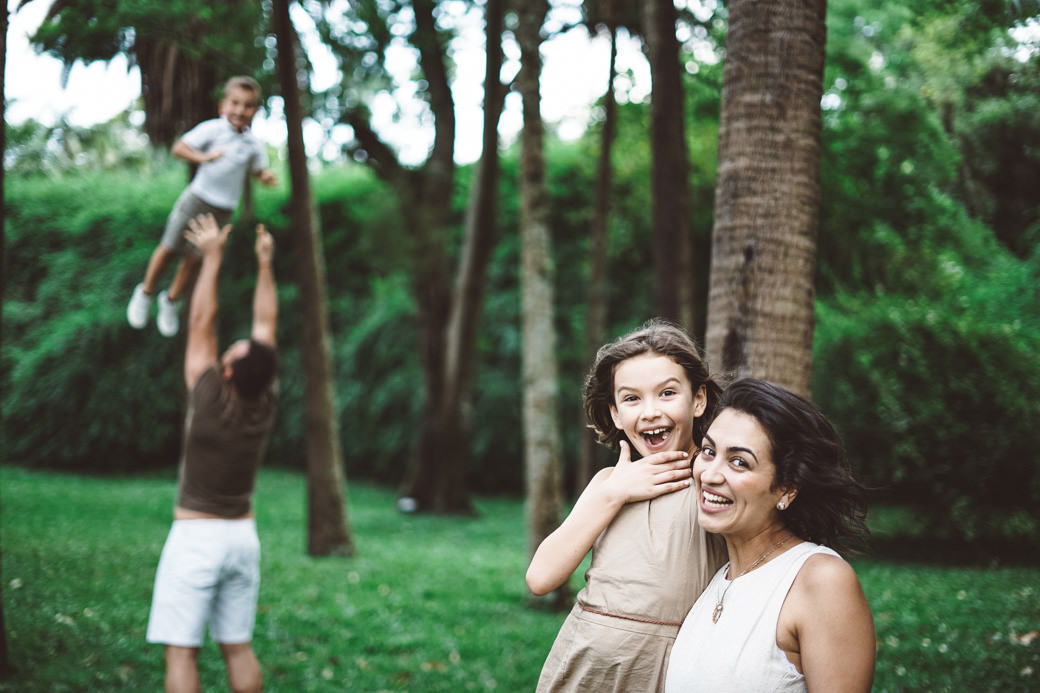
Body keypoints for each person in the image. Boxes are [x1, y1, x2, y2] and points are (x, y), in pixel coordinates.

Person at [527, 320, 726, 692]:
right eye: (632, 398)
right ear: (616, 414)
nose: (649, 411)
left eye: (667, 393)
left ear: (698, 399)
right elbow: (541, 578)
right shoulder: (608, 485)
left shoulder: (714, 482)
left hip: (667, 667)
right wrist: (613, 493)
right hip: (586, 660)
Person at [665, 378, 875, 692]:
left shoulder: (821, 580)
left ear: (787, 488)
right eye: (708, 451)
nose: (709, 474)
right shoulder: (719, 579)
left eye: (739, 462)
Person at [146, 213, 279, 693]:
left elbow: (201, 320)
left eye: (232, 350)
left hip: (196, 539)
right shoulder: (264, 400)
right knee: (237, 647)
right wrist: (265, 265)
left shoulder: (207, 397)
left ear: (226, 372)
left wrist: (212, 257)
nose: (234, 344)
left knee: (182, 655)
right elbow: (266, 325)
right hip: (243, 539)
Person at [126, 75, 277, 337]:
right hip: (197, 198)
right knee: (170, 247)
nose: (240, 110)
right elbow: (179, 148)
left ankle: (171, 300)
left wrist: (265, 177)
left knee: (194, 258)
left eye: (248, 105)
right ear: (223, 105)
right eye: (235, 103)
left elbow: (257, 170)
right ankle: (146, 292)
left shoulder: (254, 144)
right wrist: (202, 157)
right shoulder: (212, 129)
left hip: (224, 209)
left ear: (256, 110)